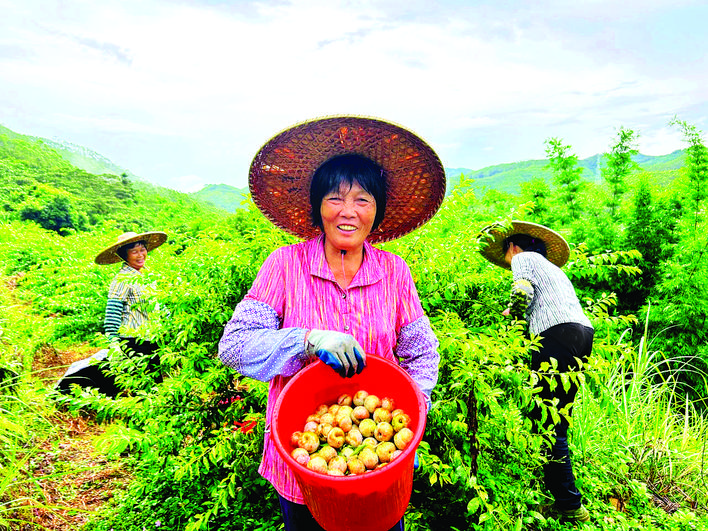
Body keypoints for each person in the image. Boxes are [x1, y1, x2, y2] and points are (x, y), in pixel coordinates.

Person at [218, 116, 446, 531]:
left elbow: (422, 351)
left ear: (376, 212)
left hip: (378, 464)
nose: (347, 212)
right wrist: (306, 339)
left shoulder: (395, 272)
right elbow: (235, 345)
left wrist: (415, 406)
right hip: (303, 459)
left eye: (362, 200)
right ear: (316, 206)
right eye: (334, 198)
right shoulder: (285, 266)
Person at [477, 220, 593, 523]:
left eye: (506, 252)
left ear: (514, 247)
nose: (507, 260)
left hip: (555, 335)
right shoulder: (555, 271)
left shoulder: (524, 258)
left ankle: (568, 503)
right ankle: (558, 488)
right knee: (558, 416)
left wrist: (510, 315)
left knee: (545, 419)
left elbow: (523, 291)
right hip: (581, 335)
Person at [95, 230, 168, 386]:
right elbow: (112, 314)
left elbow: (158, 304)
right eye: (134, 251)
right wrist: (114, 343)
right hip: (133, 342)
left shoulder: (146, 276)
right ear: (124, 255)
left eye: (142, 249)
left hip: (152, 339)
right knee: (144, 386)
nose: (140, 254)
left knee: (157, 383)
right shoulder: (122, 280)